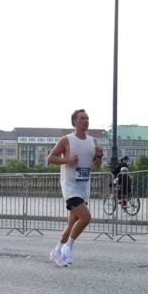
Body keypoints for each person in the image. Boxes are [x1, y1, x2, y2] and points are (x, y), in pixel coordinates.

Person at [46, 109, 102, 267]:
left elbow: (97, 166)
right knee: (86, 217)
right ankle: (68, 248)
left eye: (87, 118)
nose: (86, 121)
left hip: (84, 187)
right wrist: (68, 160)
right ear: (74, 122)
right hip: (69, 187)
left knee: (72, 224)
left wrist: (99, 155)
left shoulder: (93, 141)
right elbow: (50, 158)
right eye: (82, 118)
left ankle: (56, 250)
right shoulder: (66, 140)